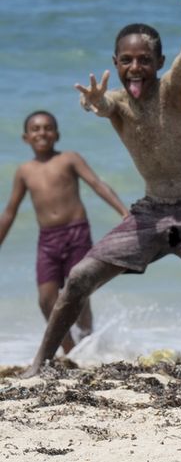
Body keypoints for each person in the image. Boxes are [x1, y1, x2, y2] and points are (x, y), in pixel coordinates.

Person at [22, 0, 181, 377]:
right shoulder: (117, 103)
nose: (135, 67)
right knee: (79, 278)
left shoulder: (171, 88)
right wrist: (93, 102)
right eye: (126, 60)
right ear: (115, 63)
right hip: (152, 213)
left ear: (159, 62)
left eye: (144, 60)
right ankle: (40, 363)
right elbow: (101, 107)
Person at [0, 111, 129, 354]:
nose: (42, 133)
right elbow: (9, 212)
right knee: (46, 299)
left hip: (76, 233)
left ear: (57, 134)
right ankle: (70, 350)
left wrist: (123, 211)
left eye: (48, 128)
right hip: (47, 240)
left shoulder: (69, 159)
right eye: (36, 129)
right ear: (25, 137)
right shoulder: (24, 171)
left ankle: (88, 340)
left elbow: (97, 184)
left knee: (78, 290)